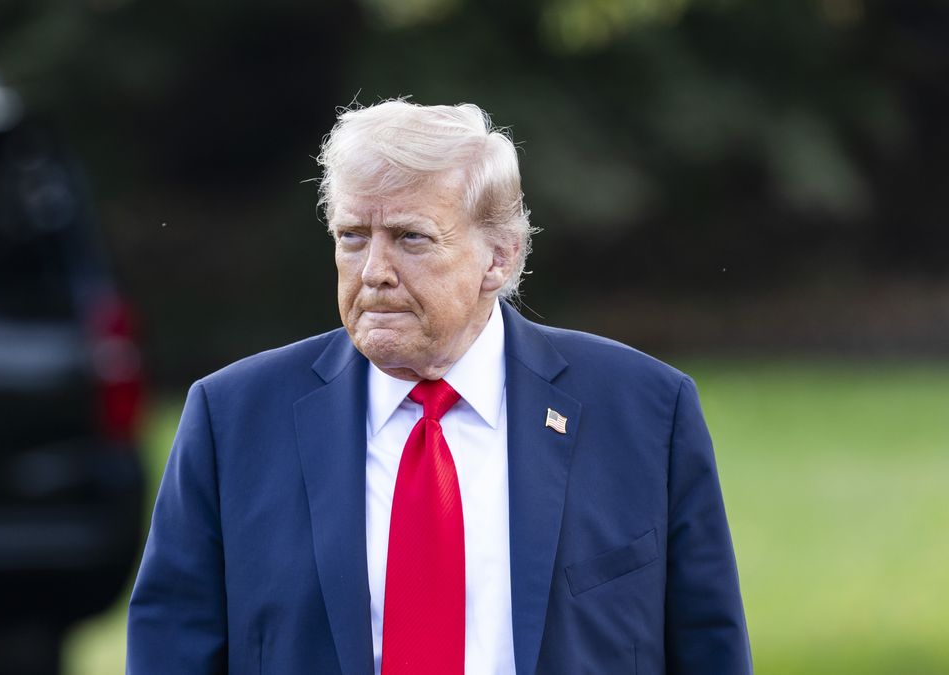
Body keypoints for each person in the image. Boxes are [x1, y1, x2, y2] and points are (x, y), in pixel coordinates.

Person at [127, 100, 752, 675]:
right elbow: (170, 649)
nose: (374, 272)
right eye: (352, 237)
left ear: (499, 257)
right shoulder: (233, 420)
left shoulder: (645, 412)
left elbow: (709, 648)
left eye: (411, 238)